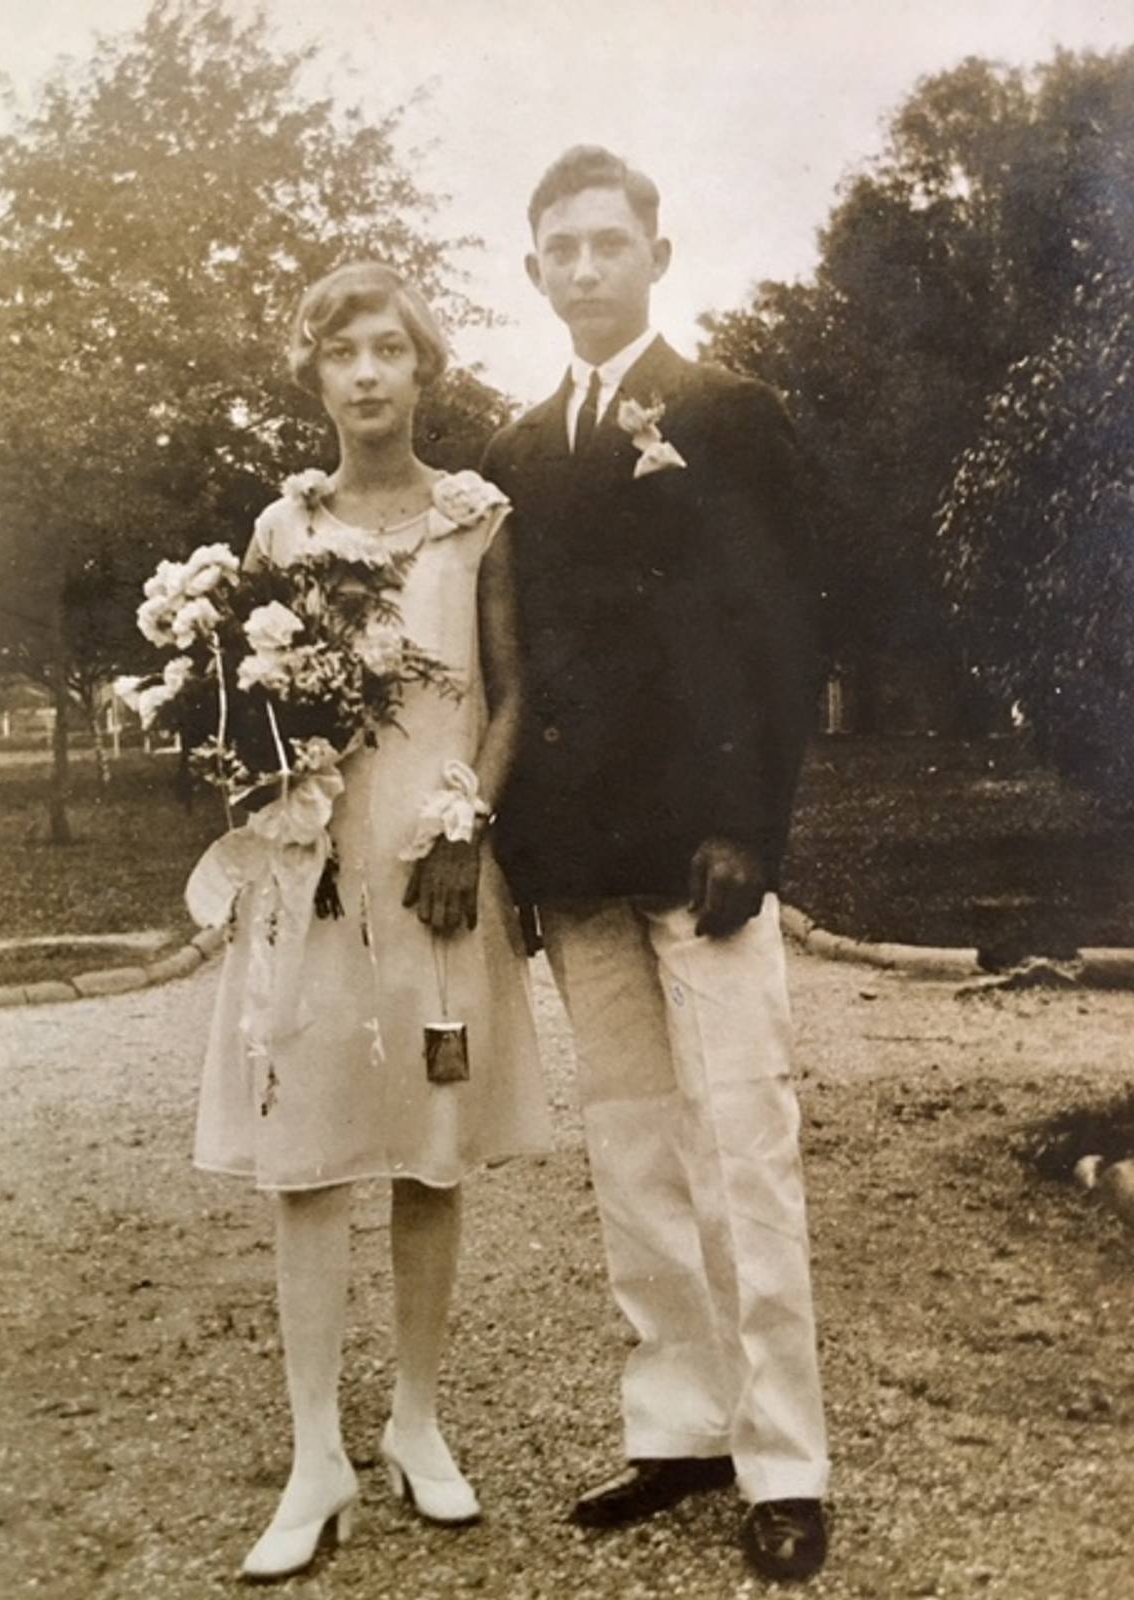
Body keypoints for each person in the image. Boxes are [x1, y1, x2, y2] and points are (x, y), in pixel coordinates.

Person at [482, 147, 830, 1583]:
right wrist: (509, 849)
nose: (582, 267)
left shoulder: (731, 416)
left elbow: (789, 631)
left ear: (657, 256)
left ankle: (786, 1459)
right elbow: (506, 666)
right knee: (631, 1144)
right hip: (577, 855)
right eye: (557, 247)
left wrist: (752, 821)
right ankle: (677, 1429)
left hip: (705, 846)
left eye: (606, 243)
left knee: (742, 1142)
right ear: (534, 272)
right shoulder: (512, 454)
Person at [193, 262, 552, 1582]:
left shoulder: (476, 521)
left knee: (426, 1143)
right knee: (307, 1154)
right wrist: (280, 822)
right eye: (341, 350)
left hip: (436, 865)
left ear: (421, 368)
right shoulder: (279, 529)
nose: (365, 372)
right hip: (315, 874)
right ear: (316, 375)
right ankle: (313, 1454)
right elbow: (247, 715)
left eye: (388, 347)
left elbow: (511, 691)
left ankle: (415, 1420)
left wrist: (466, 827)